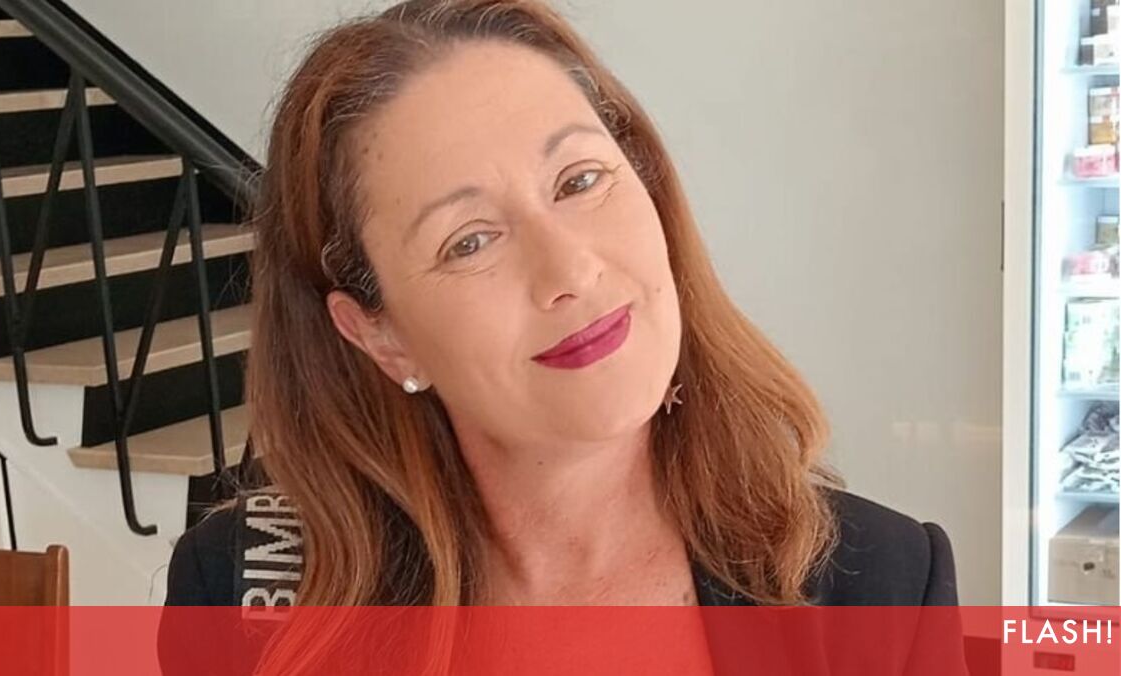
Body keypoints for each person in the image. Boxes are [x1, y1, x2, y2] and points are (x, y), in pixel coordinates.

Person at [161, 0, 962, 672]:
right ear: (381, 335)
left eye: (579, 180)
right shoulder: (238, 598)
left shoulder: (885, 586)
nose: (568, 269)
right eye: (469, 241)